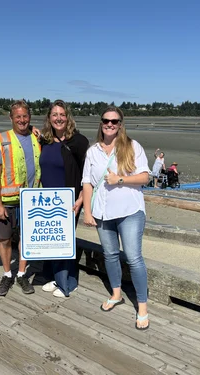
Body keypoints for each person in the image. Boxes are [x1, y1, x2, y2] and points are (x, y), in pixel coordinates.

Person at [82, 106, 151, 330]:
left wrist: (119, 179)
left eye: (114, 121)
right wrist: (88, 212)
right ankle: (116, 294)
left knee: (133, 257)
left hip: (130, 211)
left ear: (120, 124)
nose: (110, 124)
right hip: (102, 213)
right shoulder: (93, 151)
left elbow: (145, 177)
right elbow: (87, 183)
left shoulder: (132, 146)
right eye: (106, 121)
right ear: (101, 123)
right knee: (110, 255)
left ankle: (142, 307)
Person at [38, 100, 89, 298]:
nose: (58, 118)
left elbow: (88, 174)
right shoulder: (45, 141)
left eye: (62, 114)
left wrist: (81, 198)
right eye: (54, 115)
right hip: (46, 201)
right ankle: (53, 277)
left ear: (68, 117)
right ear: (49, 118)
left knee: (64, 240)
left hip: (70, 201)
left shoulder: (78, 141)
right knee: (50, 237)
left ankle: (68, 282)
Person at [0, 100, 41, 296]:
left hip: (31, 199)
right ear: (11, 118)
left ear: (30, 117)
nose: (22, 120)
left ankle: (21, 273)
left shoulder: (37, 137)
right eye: (17, 116)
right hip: (7, 199)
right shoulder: (1, 139)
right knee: (4, 239)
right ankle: (7, 274)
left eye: (25, 116)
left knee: (25, 239)